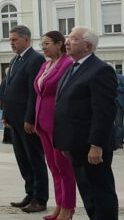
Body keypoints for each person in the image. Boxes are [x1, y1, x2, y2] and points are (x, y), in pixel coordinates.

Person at [54, 27, 118, 220]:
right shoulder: (73, 66)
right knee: (88, 193)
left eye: (73, 39)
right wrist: (66, 143)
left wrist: (97, 145)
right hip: (76, 144)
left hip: (91, 145)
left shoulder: (101, 70)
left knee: (100, 193)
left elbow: (104, 112)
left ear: (87, 46)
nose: (66, 42)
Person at [2, 25, 48, 214]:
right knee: (22, 159)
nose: (11, 43)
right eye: (10, 39)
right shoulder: (15, 60)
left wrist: (30, 119)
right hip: (14, 120)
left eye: (15, 39)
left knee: (34, 158)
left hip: (27, 121)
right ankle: (30, 192)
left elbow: (33, 92)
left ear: (26, 39)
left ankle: (40, 198)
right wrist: (6, 115)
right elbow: (8, 89)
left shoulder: (35, 59)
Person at [33, 31, 76, 220]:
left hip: (58, 122)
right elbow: (39, 91)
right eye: (41, 44)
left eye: (47, 43)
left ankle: (68, 207)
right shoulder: (45, 65)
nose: (43, 47)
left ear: (60, 44)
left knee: (64, 167)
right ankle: (59, 204)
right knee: (53, 166)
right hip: (42, 121)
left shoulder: (67, 63)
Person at [113, 69, 124, 149]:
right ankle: (110, 141)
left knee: (119, 124)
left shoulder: (120, 77)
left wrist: (116, 86)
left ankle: (119, 142)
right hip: (106, 103)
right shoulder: (102, 76)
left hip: (118, 103)